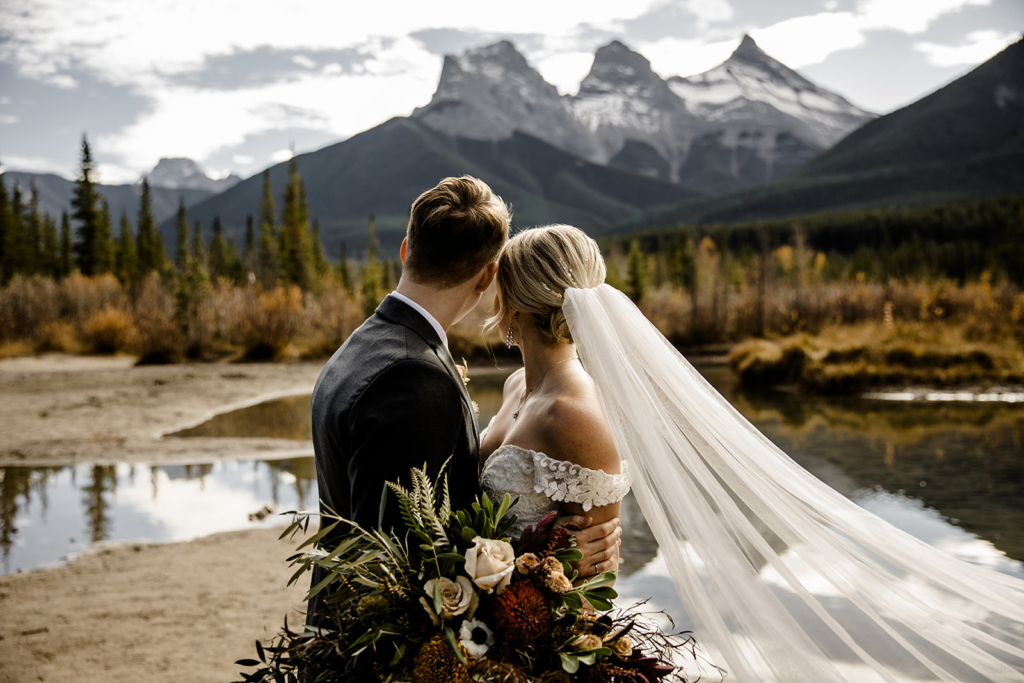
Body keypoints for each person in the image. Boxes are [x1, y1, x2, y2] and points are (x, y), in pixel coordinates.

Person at [481, 224, 1024, 683]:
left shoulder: (573, 415)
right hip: (486, 623)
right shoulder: (513, 389)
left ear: (513, 302)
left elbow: (595, 575)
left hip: (534, 649)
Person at [306, 178, 620, 626]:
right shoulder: (413, 376)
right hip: (377, 637)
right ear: (490, 276)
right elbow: (416, 562)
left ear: (405, 248)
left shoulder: (362, 345)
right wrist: (537, 557)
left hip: (356, 625)